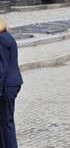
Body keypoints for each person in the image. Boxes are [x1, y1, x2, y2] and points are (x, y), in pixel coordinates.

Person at [0, 17, 23, 148]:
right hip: (12, 83)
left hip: (7, 85)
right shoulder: (7, 36)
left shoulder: (1, 39)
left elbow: (2, 67)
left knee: (6, 121)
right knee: (4, 120)